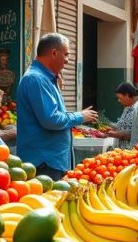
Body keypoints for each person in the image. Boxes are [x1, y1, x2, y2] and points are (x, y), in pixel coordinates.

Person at [16, 33, 98, 180]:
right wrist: (80, 116)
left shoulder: (46, 78)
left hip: (50, 160)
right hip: (44, 162)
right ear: (54, 53)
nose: (67, 61)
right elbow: (51, 119)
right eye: (66, 55)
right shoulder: (37, 79)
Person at [106, 82, 138, 149]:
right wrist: (110, 127)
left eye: (120, 98)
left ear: (127, 95)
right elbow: (121, 125)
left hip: (131, 151)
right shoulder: (127, 107)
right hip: (120, 150)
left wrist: (114, 134)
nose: (119, 100)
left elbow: (134, 134)